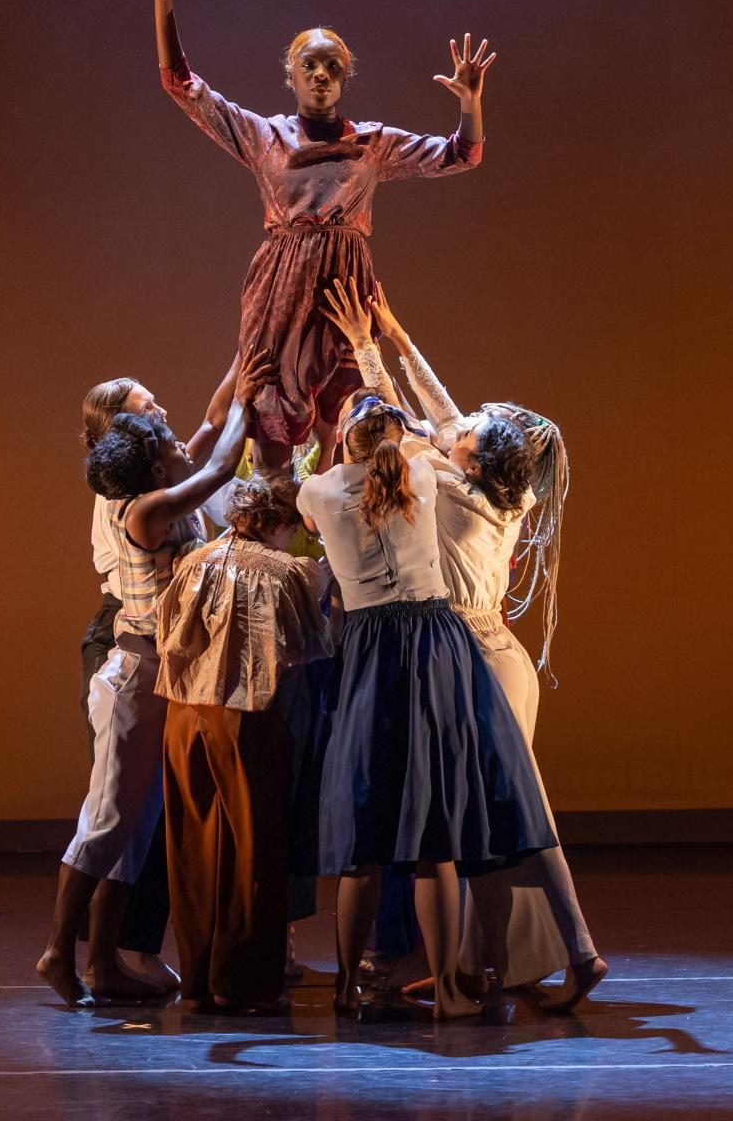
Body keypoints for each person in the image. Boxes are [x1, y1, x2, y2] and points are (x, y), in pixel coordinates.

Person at [322, 283, 607, 1011]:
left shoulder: (446, 482)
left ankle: (570, 951)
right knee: (497, 821)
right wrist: (393, 328)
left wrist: (367, 352)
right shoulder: (507, 489)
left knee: (499, 818)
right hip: (494, 653)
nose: (454, 427)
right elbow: (441, 411)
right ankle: (486, 964)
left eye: (467, 433)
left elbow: (402, 428)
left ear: (472, 459)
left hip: (467, 656)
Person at [148, 0, 496, 472]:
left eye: (332, 67)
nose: (321, 75)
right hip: (283, 283)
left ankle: (347, 523)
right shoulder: (264, 136)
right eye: (310, 65)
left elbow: (461, 155)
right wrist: (163, 4)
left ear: (344, 78)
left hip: (346, 285)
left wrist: (471, 105)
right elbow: (183, 86)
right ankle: (273, 522)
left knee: (361, 411)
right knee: (271, 403)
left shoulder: (371, 144)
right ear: (291, 74)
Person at [299, 395, 557, 1020]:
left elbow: (319, 506)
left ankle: (343, 987)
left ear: (344, 440)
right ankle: (449, 990)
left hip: (368, 648)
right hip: (433, 643)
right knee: (434, 830)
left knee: (364, 836)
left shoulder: (320, 491)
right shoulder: (418, 469)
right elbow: (435, 435)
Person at [36, 350, 270, 1007]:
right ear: (138, 448)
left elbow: (201, 437)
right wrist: (247, 408)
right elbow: (218, 461)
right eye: (153, 417)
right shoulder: (139, 509)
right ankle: (59, 951)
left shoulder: (148, 486)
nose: (169, 424)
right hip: (134, 671)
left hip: (159, 671)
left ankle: (104, 961)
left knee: (135, 826)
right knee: (108, 817)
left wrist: (238, 369)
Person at [156, 476, 333, 1011]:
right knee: (256, 847)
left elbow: (168, 631)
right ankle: (245, 983)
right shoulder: (289, 572)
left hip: (184, 716)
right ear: (279, 521)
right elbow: (306, 646)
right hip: (247, 718)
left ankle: (199, 976)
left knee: (193, 847)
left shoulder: (193, 561)